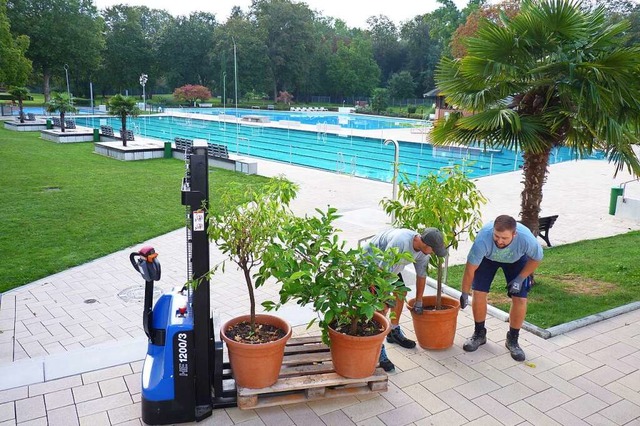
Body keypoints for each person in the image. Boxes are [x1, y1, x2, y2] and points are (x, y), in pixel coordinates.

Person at [459, 215, 543, 361]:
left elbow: (537, 258)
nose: (499, 241)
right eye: (496, 236)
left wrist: (520, 278)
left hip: (516, 259)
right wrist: (465, 293)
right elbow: (470, 269)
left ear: (514, 234)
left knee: (521, 298)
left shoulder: (526, 239)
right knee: (478, 292)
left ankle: (513, 340)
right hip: (488, 259)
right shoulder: (483, 239)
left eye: (504, 238)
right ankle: (479, 334)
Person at [365, 227, 447, 372]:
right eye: (433, 249)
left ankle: (393, 331)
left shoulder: (423, 251)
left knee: (400, 293)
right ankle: (377, 349)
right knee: (380, 309)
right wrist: (385, 299)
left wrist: (419, 301)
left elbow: (421, 275)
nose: (434, 252)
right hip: (372, 267)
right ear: (425, 243)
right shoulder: (401, 243)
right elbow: (383, 273)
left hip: (389, 270)